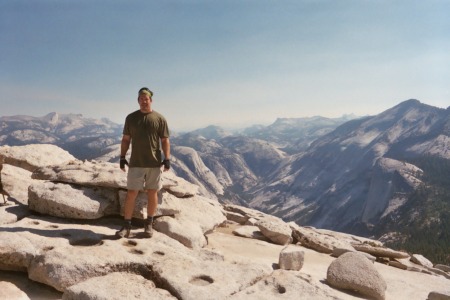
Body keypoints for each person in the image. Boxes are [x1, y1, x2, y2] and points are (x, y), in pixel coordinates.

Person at [116, 87, 170, 238]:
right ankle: (126, 225)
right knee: (132, 192)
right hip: (136, 162)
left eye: (146, 99)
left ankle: (149, 224)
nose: (144, 101)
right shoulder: (131, 118)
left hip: (154, 163)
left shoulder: (159, 118)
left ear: (151, 100)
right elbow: (126, 139)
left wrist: (167, 159)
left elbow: (165, 140)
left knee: (152, 192)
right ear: (138, 101)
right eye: (141, 99)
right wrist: (122, 157)